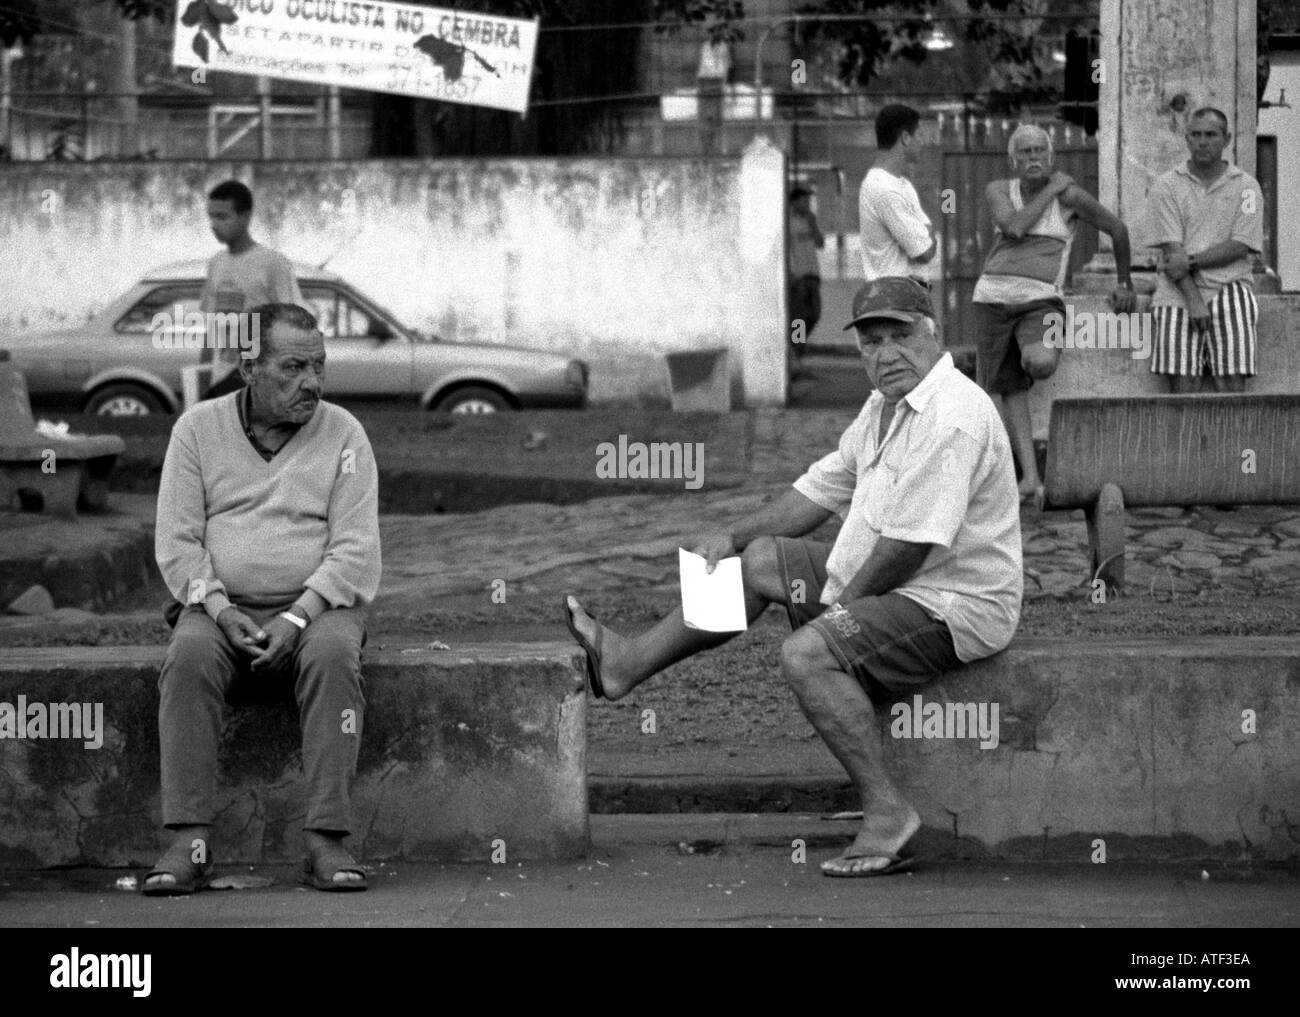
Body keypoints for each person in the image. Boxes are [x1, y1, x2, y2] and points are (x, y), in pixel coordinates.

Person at [564, 277, 1022, 877]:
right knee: (759, 561)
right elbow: (819, 491)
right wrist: (732, 536)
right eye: (871, 342)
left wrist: (842, 611)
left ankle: (888, 813)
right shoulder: (885, 408)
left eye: (901, 336)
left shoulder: (952, 416)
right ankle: (625, 663)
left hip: (954, 604)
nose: (885, 354)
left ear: (934, 333)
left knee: (806, 655)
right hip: (904, 589)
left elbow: (908, 548)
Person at [145, 303, 380, 895]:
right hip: (218, 605)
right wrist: (220, 610)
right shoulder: (196, 429)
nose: (313, 382)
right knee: (189, 659)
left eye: (319, 366)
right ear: (249, 367)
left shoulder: (345, 433)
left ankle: (326, 842)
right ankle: (188, 845)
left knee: (332, 660)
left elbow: (355, 551)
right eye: (294, 366)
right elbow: (177, 541)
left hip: (320, 607)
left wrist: (300, 615)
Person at [971, 123, 1136, 506]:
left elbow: (1117, 228)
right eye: (1026, 152)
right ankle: (1029, 478)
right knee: (1006, 388)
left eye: (1040, 152)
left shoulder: (1071, 197)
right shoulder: (999, 190)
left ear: (1052, 156)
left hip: (1041, 300)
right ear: (1013, 159)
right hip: (991, 298)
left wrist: (1125, 282)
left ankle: (1032, 467)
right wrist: (1051, 188)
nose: (1034, 158)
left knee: (1041, 361)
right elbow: (1013, 228)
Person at [1148, 107, 1264, 393]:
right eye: (1196, 135)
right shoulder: (1166, 186)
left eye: (1211, 135)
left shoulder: (1247, 188)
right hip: (1177, 290)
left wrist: (1189, 261)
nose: (1203, 141)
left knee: (1231, 382)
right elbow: (1171, 251)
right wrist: (1194, 300)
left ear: (1227, 139)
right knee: (1183, 385)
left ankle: (1233, 439)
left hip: (1230, 285)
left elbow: (1240, 245)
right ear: (1187, 139)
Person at [199, 180, 302, 400]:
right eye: (211, 216)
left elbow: (294, 323)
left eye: (222, 217)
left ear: (245, 217)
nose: (214, 224)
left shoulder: (272, 263)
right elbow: (211, 327)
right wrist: (203, 379)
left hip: (258, 381)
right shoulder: (216, 263)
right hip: (222, 380)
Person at [858, 104, 936, 285]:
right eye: (920, 135)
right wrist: (925, 237)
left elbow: (927, 238)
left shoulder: (904, 185)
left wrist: (925, 238)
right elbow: (925, 252)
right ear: (905, 138)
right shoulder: (884, 189)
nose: (923, 142)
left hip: (910, 297)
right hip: (893, 299)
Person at [788, 184, 825, 374]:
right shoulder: (787, 221)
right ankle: (796, 355)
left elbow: (820, 244)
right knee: (799, 319)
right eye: (804, 200)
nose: (807, 203)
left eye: (808, 200)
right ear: (794, 202)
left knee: (814, 315)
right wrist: (791, 272)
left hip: (813, 273)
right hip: (798, 276)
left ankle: (795, 349)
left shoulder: (809, 220)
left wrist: (813, 224)